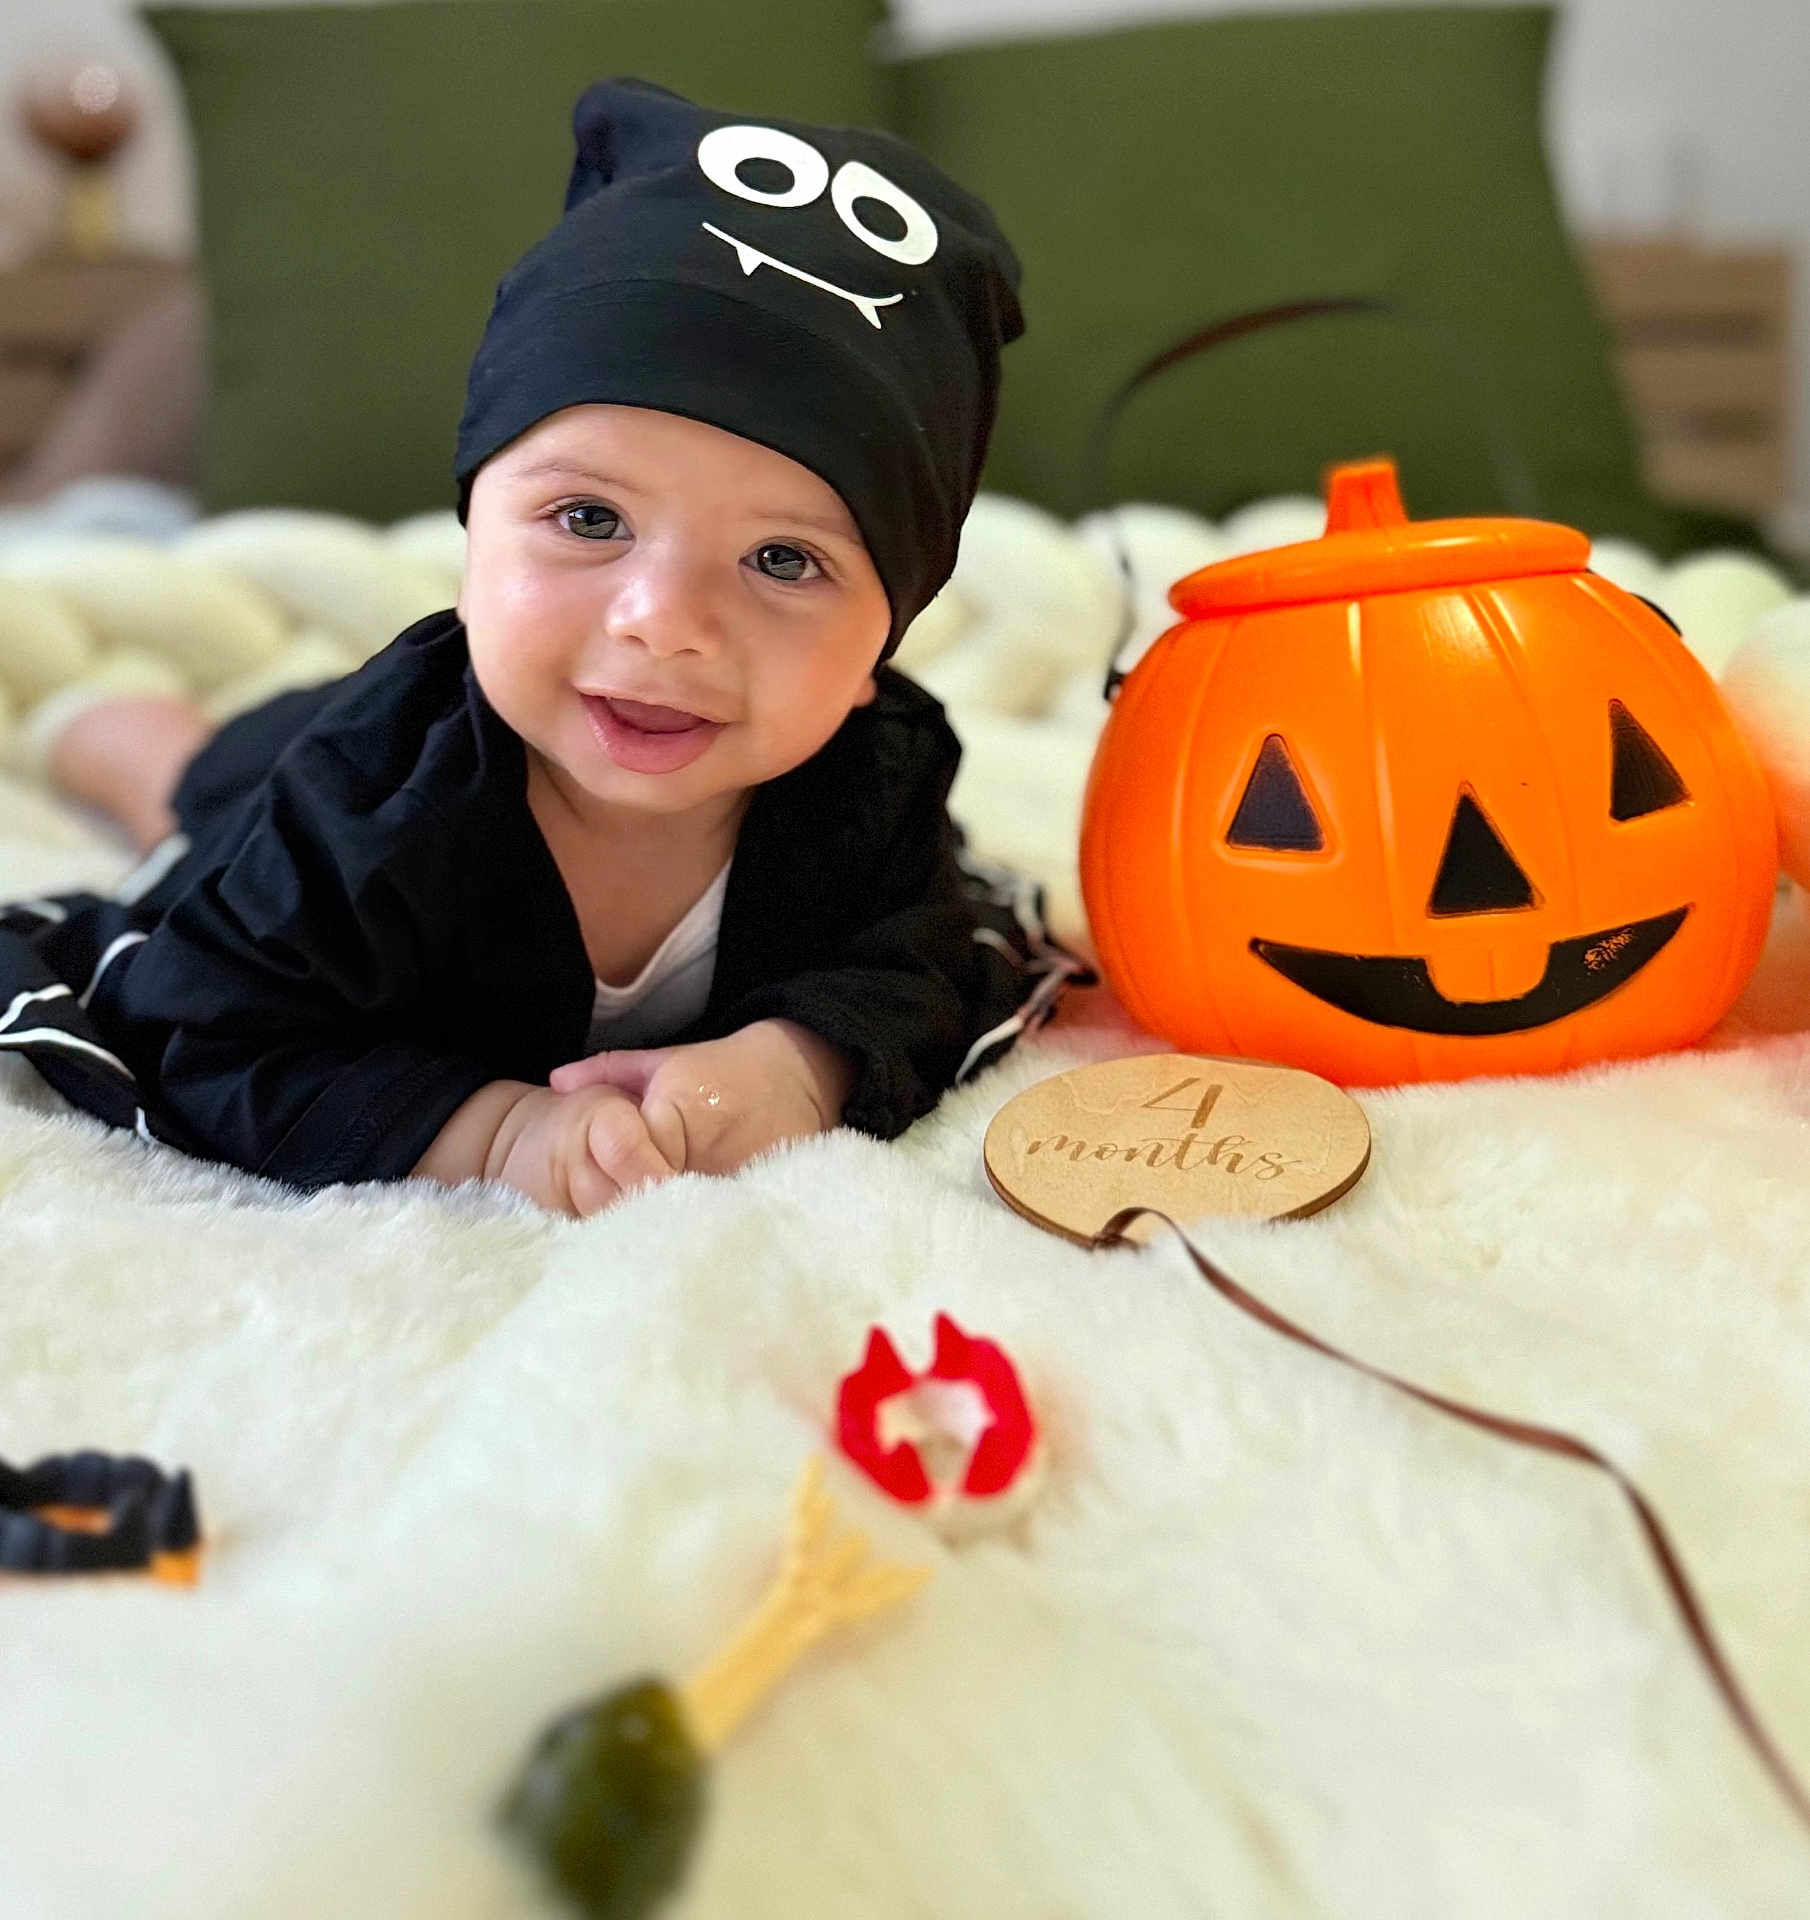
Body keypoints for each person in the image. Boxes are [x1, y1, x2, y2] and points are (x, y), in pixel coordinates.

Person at [0, 78, 1079, 1218]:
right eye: (589, 519)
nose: (660, 621)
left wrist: (795, 1064)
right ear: (473, 535)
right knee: (206, 787)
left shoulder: (878, 780)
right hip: (319, 763)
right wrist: (499, 1128)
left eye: (781, 560)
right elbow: (211, 1028)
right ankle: (134, 740)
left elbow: (920, 969)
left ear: (879, 648)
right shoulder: (367, 799)